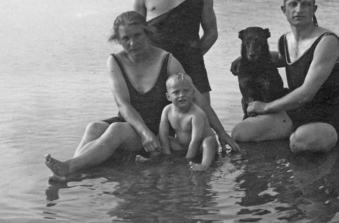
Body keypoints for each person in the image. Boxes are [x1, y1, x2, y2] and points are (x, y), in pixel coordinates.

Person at [45, 11, 238, 182]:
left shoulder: (167, 60)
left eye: (137, 36)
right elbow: (123, 105)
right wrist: (142, 131)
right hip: (135, 125)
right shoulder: (115, 61)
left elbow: (197, 98)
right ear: (118, 40)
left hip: (158, 131)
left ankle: (69, 167)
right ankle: (71, 170)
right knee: (94, 127)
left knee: (116, 130)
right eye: (125, 38)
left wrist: (221, 132)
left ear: (147, 33)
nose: (132, 43)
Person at [231, 0, 339, 153]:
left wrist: (266, 107)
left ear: (314, 9)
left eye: (306, 4)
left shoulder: (327, 42)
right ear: (284, 10)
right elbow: (281, 58)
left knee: (301, 141)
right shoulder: (285, 41)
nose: (299, 9)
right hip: (295, 113)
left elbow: (306, 94)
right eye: (293, 4)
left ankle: (332, 157)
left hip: (329, 119)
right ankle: (277, 162)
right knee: (240, 133)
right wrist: (243, 59)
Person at [159, 73, 218, 172]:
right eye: (176, 92)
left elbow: (196, 140)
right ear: (168, 96)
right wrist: (167, 155)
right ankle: (154, 159)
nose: (182, 95)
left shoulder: (196, 114)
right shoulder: (167, 110)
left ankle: (204, 165)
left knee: (209, 141)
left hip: (200, 147)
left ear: (193, 93)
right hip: (182, 146)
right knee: (161, 139)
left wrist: (187, 160)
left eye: (186, 91)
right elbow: (163, 134)